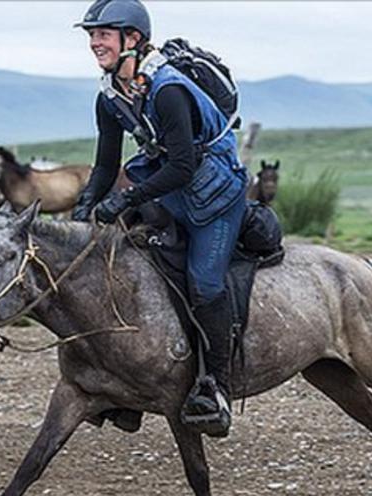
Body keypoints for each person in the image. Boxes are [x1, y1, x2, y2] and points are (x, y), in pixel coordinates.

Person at [72, 0, 248, 437]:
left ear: (132, 38)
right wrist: (84, 208)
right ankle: (127, 389)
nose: (94, 43)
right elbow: (105, 164)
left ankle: (216, 387)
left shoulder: (168, 90)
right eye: (91, 35)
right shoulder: (110, 96)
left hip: (214, 195)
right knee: (126, 267)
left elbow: (183, 166)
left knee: (204, 283)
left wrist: (125, 199)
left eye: (103, 34)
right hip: (169, 190)